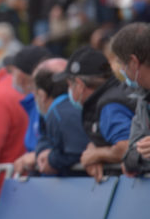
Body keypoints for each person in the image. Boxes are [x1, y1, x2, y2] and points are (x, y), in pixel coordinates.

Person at [56, 46, 135, 182]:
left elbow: (127, 148)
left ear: (79, 85)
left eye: (69, 85)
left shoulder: (110, 106)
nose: (69, 90)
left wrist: (97, 154)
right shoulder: (113, 93)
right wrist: (95, 148)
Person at [33, 59, 90, 176]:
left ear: (42, 95)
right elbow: (46, 137)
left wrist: (51, 160)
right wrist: (43, 150)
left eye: (35, 94)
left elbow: (77, 150)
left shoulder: (58, 114)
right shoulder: (59, 110)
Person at [110, 23, 150, 174]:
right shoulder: (143, 96)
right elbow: (129, 157)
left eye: (121, 63)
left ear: (133, 62)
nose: (121, 70)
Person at [8, 45, 51, 174]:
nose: (11, 76)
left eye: (13, 71)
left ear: (21, 75)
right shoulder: (32, 103)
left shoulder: (45, 104)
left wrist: (37, 155)